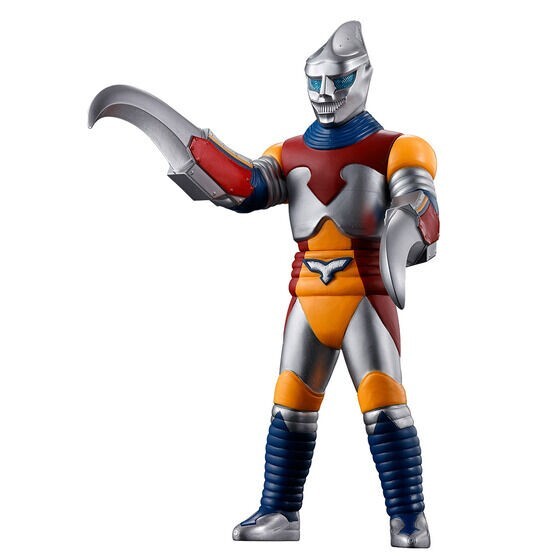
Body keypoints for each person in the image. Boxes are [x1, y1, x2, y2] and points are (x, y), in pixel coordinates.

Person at [89, 20, 439, 548]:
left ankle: (408, 517)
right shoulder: (290, 151)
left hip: (366, 294)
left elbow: (422, 204)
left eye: (338, 81)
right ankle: (280, 511)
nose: (325, 93)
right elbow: (243, 186)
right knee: (289, 404)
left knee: (383, 402)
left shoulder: (400, 148)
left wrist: (405, 224)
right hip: (306, 296)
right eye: (315, 81)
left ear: (365, 76)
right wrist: (174, 133)